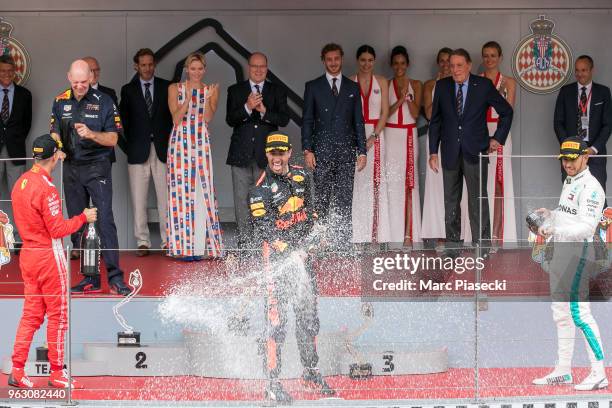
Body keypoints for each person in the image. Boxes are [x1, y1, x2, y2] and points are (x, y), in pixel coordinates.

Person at [249, 132, 335, 403]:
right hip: (277, 264)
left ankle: (310, 372)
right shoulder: (259, 190)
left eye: (281, 153)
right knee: (277, 324)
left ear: (289, 153)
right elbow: (265, 231)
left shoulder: (302, 176)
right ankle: (272, 384)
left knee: (309, 318)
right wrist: (291, 252)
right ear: (266, 154)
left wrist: (317, 235)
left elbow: (313, 212)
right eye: (272, 153)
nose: (277, 158)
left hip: (304, 260)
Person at [8, 134, 97, 389]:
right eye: (59, 153)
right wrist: (83, 217)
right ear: (55, 156)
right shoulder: (47, 189)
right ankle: (57, 373)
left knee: (30, 315)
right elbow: (58, 229)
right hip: (48, 256)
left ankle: (17, 370)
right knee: (58, 316)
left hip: (28, 255)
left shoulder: (21, 182)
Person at [532, 137, 608, 391]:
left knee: (579, 313)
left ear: (585, 157)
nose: (568, 163)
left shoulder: (592, 187)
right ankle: (563, 371)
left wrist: (553, 228)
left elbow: (587, 226)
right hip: (563, 250)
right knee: (560, 312)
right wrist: (551, 214)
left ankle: (599, 373)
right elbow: (569, 214)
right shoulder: (570, 181)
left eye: (573, 159)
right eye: (564, 159)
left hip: (580, 251)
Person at [50, 59, 130, 296]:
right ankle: (90, 278)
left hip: (97, 168)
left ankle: (115, 278)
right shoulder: (60, 100)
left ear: (92, 77)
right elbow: (54, 130)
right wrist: (58, 147)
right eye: (75, 82)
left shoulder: (105, 101)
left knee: (105, 221)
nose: (80, 86)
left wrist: (92, 134)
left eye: (84, 82)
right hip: (72, 169)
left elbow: (114, 139)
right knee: (78, 224)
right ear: (68, 78)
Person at [429, 48, 513, 256]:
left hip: (476, 150)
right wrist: (432, 152)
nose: (455, 70)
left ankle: (482, 246)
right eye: (452, 65)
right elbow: (436, 121)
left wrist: (497, 139)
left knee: (478, 199)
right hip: (449, 152)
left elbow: (506, 111)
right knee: (451, 201)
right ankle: (453, 246)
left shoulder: (483, 85)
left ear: (468, 65)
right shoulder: (442, 86)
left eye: (459, 65)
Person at [302, 43, 367, 251]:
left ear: (342, 59)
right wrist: (307, 149)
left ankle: (343, 244)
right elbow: (307, 121)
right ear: (323, 60)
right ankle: (320, 243)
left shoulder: (352, 87)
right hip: (321, 152)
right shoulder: (313, 86)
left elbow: (359, 121)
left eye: (336, 59)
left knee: (344, 201)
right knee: (320, 201)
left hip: (346, 153)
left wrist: (362, 150)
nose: (333, 63)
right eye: (329, 59)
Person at [226, 52, 289, 251]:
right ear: (248, 67)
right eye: (255, 66)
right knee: (242, 201)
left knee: (267, 202)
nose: (258, 70)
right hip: (241, 155)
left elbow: (284, 119)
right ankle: (246, 243)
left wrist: (263, 110)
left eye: (262, 66)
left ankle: (266, 243)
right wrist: (247, 107)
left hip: (267, 158)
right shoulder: (235, 90)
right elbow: (230, 120)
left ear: (267, 68)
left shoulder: (277, 91)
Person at [167, 52, 223, 259]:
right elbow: (175, 118)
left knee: (202, 190)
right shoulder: (175, 88)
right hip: (180, 142)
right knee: (180, 193)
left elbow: (207, 117)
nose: (196, 73)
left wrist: (207, 100)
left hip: (201, 141)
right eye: (193, 69)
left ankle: (199, 247)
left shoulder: (211, 89)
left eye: (200, 69)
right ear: (186, 69)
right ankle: (181, 247)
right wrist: (188, 99)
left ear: (204, 69)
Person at [119, 48, 172, 257]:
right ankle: (142, 242)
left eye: (150, 64)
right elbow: (121, 122)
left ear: (154, 65)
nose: (147, 68)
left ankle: (168, 241)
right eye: (143, 65)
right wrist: (128, 147)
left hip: (162, 149)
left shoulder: (166, 86)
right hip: (138, 152)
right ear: (136, 66)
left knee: (165, 200)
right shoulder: (128, 90)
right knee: (138, 200)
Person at [554, 55, 612, 192]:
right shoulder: (565, 92)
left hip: (595, 154)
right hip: (571, 154)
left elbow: (608, 124)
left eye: (584, 70)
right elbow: (558, 123)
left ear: (592, 70)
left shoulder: (603, 92)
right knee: (571, 195)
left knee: (596, 194)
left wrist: (594, 149)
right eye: (577, 70)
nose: (580, 74)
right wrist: (569, 147)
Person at [350, 45, 389, 244]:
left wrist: (374, 135)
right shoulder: (349, 81)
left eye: (370, 60)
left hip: (376, 134)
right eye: (363, 60)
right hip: (355, 135)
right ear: (358, 61)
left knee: (376, 185)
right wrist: (357, 139)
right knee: (357, 185)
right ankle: (358, 236)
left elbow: (385, 112)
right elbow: (346, 114)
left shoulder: (381, 81)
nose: (366, 64)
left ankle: (376, 237)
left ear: (374, 61)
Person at [481, 41, 518, 247]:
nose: (489, 59)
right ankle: (482, 235)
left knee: (498, 184)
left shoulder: (509, 82)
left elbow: (509, 112)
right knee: (481, 184)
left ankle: (497, 235)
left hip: (502, 133)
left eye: (493, 55)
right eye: (486, 55)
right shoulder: (477, 80)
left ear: (500, 57)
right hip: (480, 133)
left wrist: (497, 138)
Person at [384, 45, 422, 246]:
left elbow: (416, 114)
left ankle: (409, 236)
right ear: (391, 64)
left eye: (402, 63)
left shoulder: (416, 83)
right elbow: (385, 113)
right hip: (390, 134)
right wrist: (400, 100)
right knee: (392, 184)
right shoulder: (385, 84)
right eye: (396, 63)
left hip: (408, 132)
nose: (399, 67)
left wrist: (408, 100)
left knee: (409, 183)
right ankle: (392, 236)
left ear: (407, 64)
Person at [0, 55, 32, 247]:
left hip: (16, 151)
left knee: (19, 199)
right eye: (2, 71)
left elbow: (26, 124)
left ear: (15, 72)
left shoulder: (24, 94)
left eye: (10, 71)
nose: (6, 74)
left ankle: (20, 240)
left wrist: (14, 140)